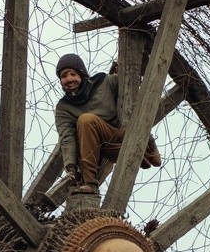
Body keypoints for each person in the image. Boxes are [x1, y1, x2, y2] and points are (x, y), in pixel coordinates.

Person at [53, 54, 161, 193]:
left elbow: (132, 82)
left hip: (120, 135)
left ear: (81, 73)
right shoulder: (64, 107)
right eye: (63, 76)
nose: (68, 79)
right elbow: (66, 137)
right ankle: (90, 183)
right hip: (100, 149)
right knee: (85, 121)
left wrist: (128, 67)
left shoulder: (104, 82)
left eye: (72, 74)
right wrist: (70, 168)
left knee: (156, 161)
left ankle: (146, 145)